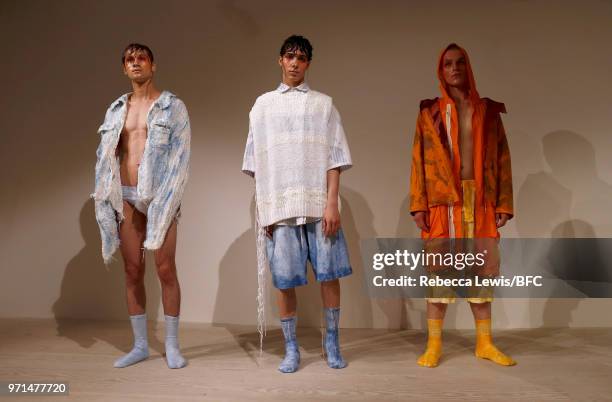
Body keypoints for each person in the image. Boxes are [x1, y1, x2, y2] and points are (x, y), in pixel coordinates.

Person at [242, 35, 353, 373]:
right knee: (285, 280)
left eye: (301, 58)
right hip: (281, 206)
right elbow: (256, 162)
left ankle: (331, 343)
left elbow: (335, 157)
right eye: (289, 56)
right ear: (280, 60)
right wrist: (267, 209)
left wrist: (332, 203)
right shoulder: (262, 106)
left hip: (318, 204)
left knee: (329, 275)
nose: (294, 63)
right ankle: (291, 349)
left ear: (308, 63)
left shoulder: (324, 104)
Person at [409, 43, 516, 367]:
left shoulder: (487, 110)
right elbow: (418, 159)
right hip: (444, 202)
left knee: (482, 275)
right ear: (440, 71)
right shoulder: (429, 113)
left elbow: (502, 157)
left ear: (468, 66)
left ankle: (484, 342)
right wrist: (419, 203)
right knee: (438, 275)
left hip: (480, 200)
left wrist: (503, 203)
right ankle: (434, 345)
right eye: (447, 64)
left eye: (459, 63)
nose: (454, 69)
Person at [92, 43, 190, 369]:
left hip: (160, 195)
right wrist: (108, 194)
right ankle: (140, 346)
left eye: (142, 58)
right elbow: (106, 157)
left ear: (153, 65)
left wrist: (167, 198)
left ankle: (173, 346)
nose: (136, 63)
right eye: (130, 59)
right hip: (127, 196)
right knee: (132, 270)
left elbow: (180, 159)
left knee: (165, 269)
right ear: (124, 68)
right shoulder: (116, 109)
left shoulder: (171, 107)